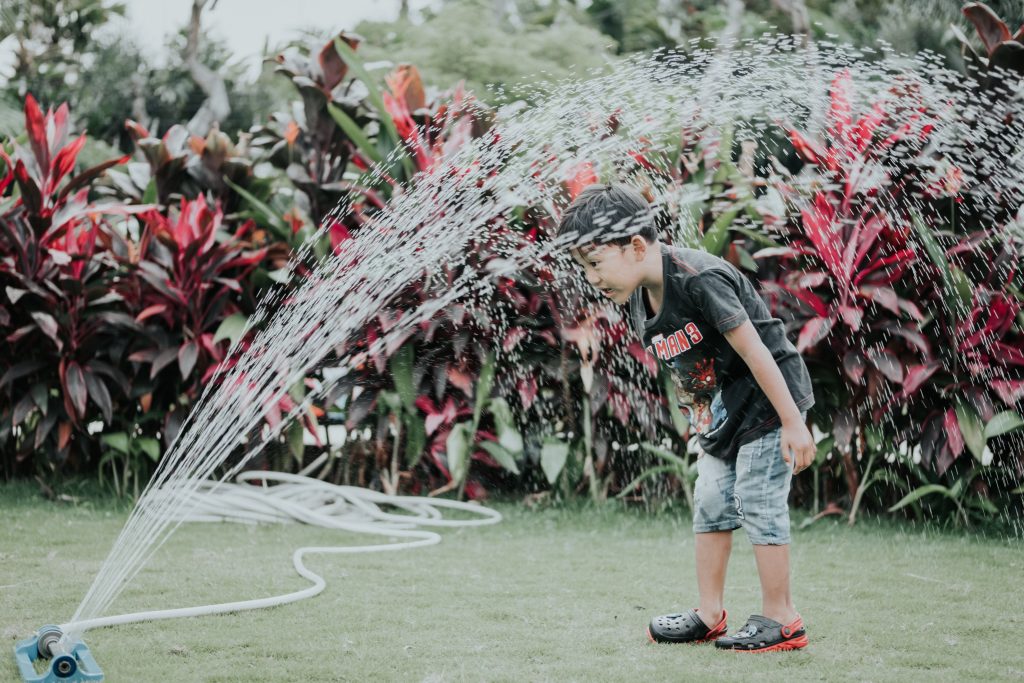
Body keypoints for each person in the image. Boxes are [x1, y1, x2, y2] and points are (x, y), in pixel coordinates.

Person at [558, 183, 817, 652]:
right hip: (720, 415)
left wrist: (793, 421)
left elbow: (758, 351)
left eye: (595, 264)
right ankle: (709, 613)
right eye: (584, 267)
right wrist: (701, 420)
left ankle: (783, 618)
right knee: (712, 503)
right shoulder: (639, 295)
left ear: (636, 246)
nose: (592, 277)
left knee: (757, 501)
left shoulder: (697, 279)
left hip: (765, 405)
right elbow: (690, 367)